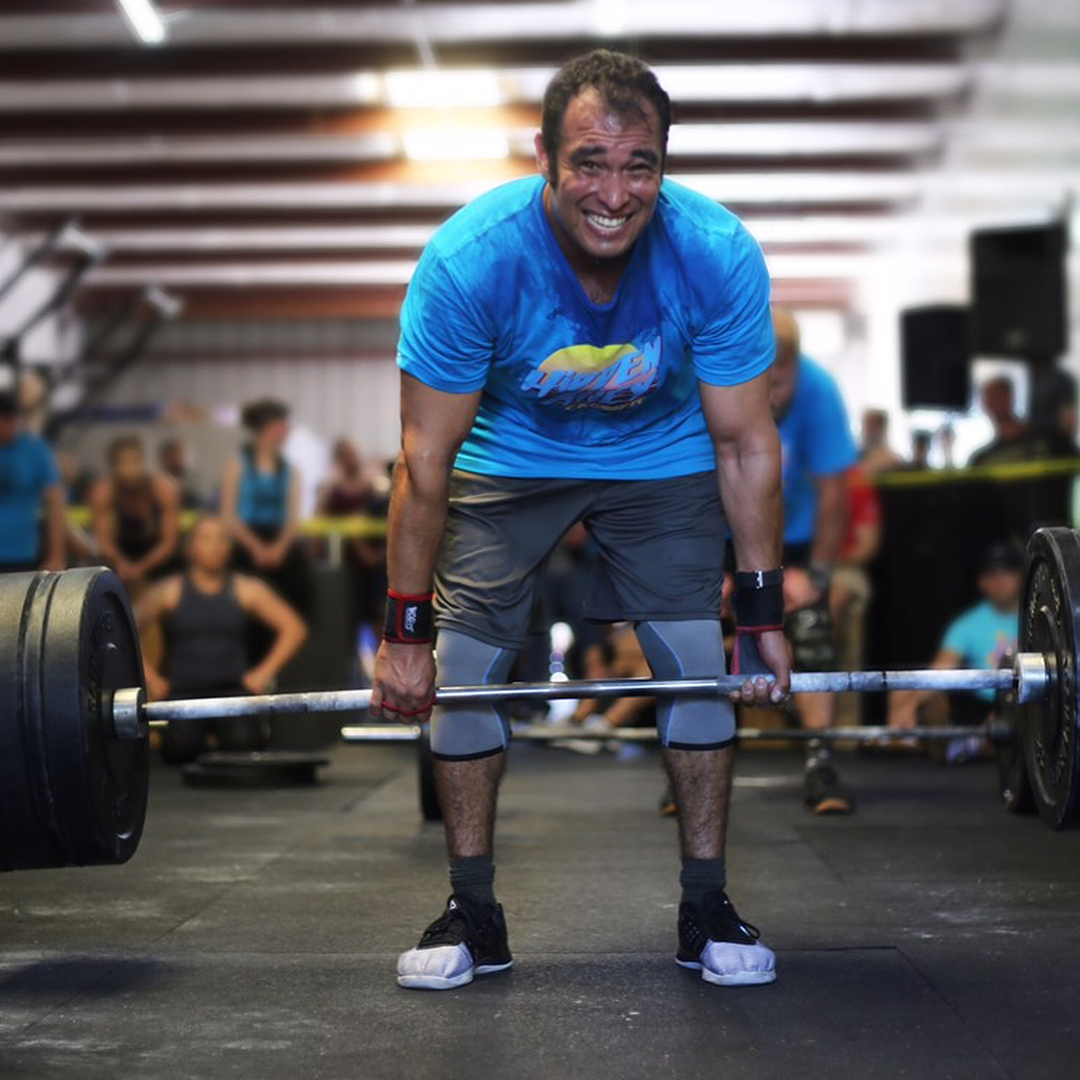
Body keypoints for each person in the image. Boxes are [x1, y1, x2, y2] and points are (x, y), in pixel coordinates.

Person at [372, 50, 791, 993]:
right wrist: (403, 633)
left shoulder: (715, 252)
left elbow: (747, 445)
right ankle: (472, 913)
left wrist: (762, 615)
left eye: (639, 164)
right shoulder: (471, 260)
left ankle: (707, 906)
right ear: (545, 159)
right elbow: (424, 461)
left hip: (664, 453)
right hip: (507, 455)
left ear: (664, 167)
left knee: (694, 658)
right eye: (590, 161)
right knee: (467, 670)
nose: (614, 190)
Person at [769, 307, 859, 814]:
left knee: (810, 624)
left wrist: (817, 574)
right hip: (721, 538)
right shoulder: (714, 381)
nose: (776, 396)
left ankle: (820, 760)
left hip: (797, 543)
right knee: (696, 630)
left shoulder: (819, 390)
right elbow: (691, 482)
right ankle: (688, 765)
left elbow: (833, 493)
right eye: (768, 384)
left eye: (784, 384)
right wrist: (711, 572)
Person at [135, 515, 308, 764]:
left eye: (222, 540)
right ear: (191, 547)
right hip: (185, 694)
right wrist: (151, 679)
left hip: (233, 692)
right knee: (180, 749)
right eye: (206, 539)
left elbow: (294, 628)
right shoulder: (168, 591)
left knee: (244, 747)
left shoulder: (247, 589)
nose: (215, 547)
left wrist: (263, 673)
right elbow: (125, 630)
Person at [887, 543, 1021, 762]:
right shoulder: (966, 624)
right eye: (991, 574)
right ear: (981, 582)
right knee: (902, 690)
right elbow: (940, 670)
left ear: (1022, 576)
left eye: (1007, 571)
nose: (1000, 580)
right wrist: (909, 705)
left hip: (1025, 703)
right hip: (978, 705)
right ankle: (919, 737)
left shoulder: (1040, 617)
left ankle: (969, 743)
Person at [221, 398, 313, 655]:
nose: (287, 430)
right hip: (246, 543)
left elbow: (292, 518)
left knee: (298, 598)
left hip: (280, 546)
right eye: (283, 424)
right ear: (267, 426)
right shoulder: (238, 464)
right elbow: (229, 516)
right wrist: (257, 548)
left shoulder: (290, 470)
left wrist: (279, 548)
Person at [317, 437, 389, 674]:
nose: (352, 458)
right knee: (345, 619)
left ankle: (384, 666)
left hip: (375, 569)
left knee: (379, 617)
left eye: (354, 452)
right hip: (343, 567)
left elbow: (389, 525)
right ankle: (349, 669)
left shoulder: (374, 487)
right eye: (347, 453)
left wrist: (375, 554)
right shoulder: (331, 489)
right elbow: (319, 524)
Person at [89, 434, 181, 594]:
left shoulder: (165, 490)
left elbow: (169, 543)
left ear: (143, 461)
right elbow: (103, 541)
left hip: (158, 555)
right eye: (123, 462)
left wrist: (140, 568)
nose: (130, 469)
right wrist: (122, 564)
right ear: (113, 465)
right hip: (121, 553)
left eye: (135, 461)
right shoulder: (103, 492)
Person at [0, 386, 66, 574]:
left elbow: (55, 503)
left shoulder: (36, 450)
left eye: (11, 419)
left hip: (21, 556)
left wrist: (56, 556)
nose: (9, 425)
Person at [158, 436, 206, 510]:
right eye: (176, 455)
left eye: (181, 455)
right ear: (166, 458)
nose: (181, 459)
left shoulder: (189, 487)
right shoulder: (157, 487)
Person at [860, 408, 904, 474]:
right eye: (865, 425)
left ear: (882, 428)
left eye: (871, 425)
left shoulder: (893, 460)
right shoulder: (854, 458)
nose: (866, 430)